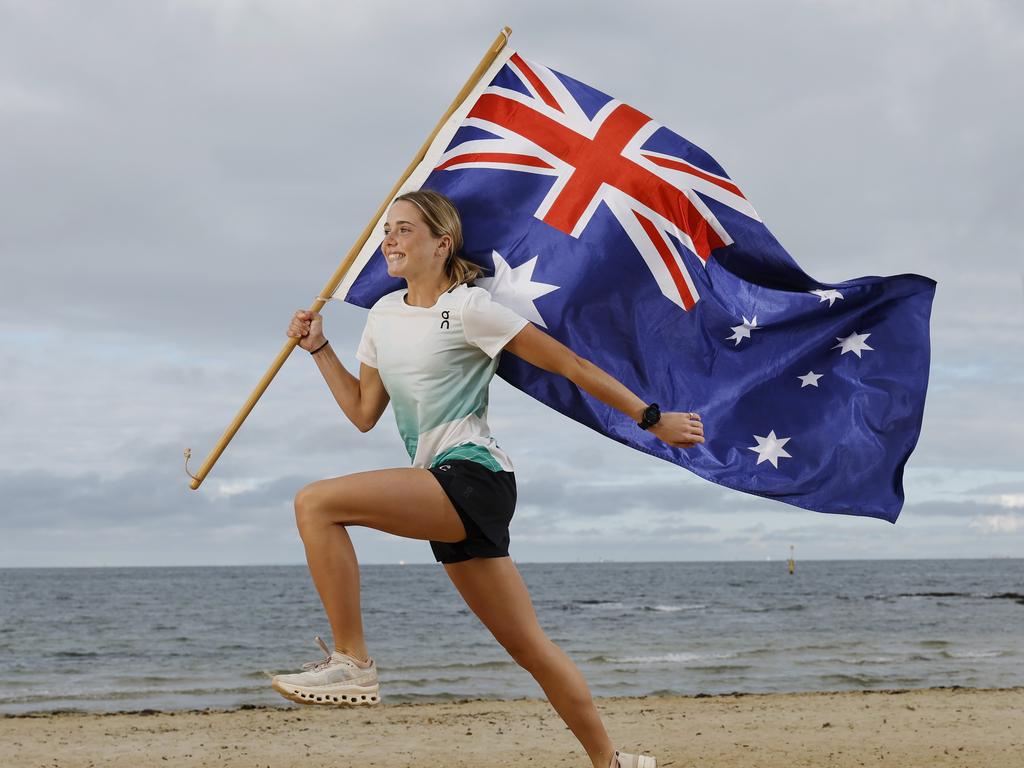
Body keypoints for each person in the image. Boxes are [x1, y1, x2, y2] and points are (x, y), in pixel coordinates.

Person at [273, 189, 704, 768]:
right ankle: (613, 761)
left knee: (316, 504)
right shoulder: (383, 316)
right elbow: (362, 412)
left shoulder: (469, 307)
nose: (389, 242)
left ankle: (354, 660)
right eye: (387, 231)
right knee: (530, 648)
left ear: (441, 244)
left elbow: (569, 365)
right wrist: (320, 348)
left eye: (403, 230)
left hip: (474, 475)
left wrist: (652, 420)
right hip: (437, 486)